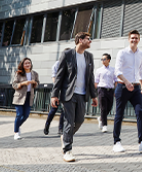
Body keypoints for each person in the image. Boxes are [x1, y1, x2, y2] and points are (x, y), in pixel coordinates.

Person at [51, 32, 98, 163]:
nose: (90, 41)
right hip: (69, 94)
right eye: (88, 39)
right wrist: (54, 95)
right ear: (80, 40)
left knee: (79, 120)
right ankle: (67, 150)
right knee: (69, 121)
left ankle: (65, 137)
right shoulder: (67, 55)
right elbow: (59, 76)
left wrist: (94, 95)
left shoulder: (89, 56)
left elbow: (90, 77)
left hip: (82, 94)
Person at [112, 30, 142, 153]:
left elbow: (140, 72)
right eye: (132, 38)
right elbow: (117, 71)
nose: (134, 40)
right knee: (119, 114)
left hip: (135, 89)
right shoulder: (122, 53)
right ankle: (116, 142)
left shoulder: (141, 54)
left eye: (136, 38)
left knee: (140, 112)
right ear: (129, 39)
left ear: (139, 40)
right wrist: (126, 81)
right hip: (123, 87)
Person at [44, 48, 71, 136]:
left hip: (67, 90)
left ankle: (60, 128)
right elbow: (54, 77)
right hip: (58, 89)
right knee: (54, 109)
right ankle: (47, 125)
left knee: (64, 110)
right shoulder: (57, 64)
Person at [12, 57, 39, 140]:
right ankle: (16, 132)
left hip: (29, 96)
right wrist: (23, 83)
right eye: (26, 63)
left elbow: (37, 84)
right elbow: (14, 85)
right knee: (19, 114)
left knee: (26, 115)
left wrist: (34, 83)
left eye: (29, 63)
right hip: (19, 97)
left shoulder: (34, 73)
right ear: (23, 65)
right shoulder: (18, 74)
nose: (28, 64)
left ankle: (17, 125)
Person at [95, 53, 117, 133]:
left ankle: (101, 118)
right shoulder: (99, 70)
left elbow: (116, 81)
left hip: (110, 90)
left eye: (104, 59)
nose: (103, 61)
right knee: (103, 108)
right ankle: (104, 125)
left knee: (109, 108)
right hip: (102, 90)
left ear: (109, 60)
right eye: (102, 59)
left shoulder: (113, 70)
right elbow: (96, 82)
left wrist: (116, 90)